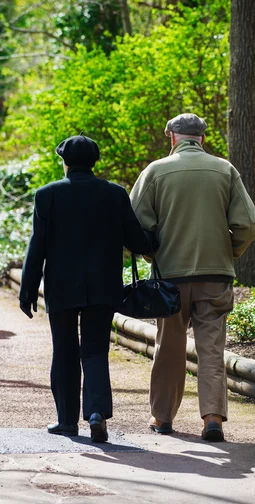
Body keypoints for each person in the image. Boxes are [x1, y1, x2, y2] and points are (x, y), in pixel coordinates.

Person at [130, 113, 255, 442]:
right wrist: (230, 252)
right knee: (212, 349)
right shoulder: (225, 170)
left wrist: (153, 256)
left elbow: (135, 226)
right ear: (203, 138)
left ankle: (162, 418)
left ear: (171, 136)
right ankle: (212, 418)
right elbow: (248, 224)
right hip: (215, 275)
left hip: (170, 277)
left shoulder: (155, 171)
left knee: (169, 347)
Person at [19, 134, 155, 443]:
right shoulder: (114, 194)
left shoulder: (47, 195)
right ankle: (96, 413)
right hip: (104, 288)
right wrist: (154, 239)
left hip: (62, 288)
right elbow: (136, 242)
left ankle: (67, 422)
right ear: (95, 163)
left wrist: (27, 291)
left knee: (64, 352)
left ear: (64, 162)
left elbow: (36, 247)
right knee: (95, 350)